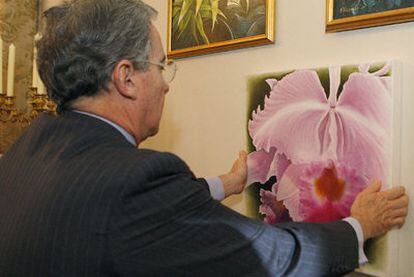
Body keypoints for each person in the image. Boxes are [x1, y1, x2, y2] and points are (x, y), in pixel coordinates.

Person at [0, 0, 408, 276]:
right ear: (125, 78)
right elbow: (274, 258)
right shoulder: (136, 182)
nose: (166, 85)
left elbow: (127, 211)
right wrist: (361, 224)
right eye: (161, 66)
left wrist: (227, 184)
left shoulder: (30, 146)